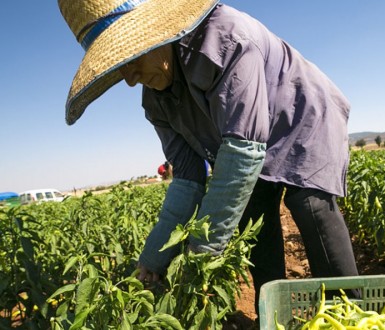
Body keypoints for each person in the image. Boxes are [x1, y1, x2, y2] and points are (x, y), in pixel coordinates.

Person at [58, 0, 359, 313]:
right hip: (247, 139)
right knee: (253, 214)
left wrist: (204, 247)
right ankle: (272, 313)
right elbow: (188, 179)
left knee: (310, 204)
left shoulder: (226, 39)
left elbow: (243, 150)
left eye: (130, 59)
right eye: (119, 68)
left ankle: (349, 311)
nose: (130, 78)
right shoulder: (156, 102)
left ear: (155, 34)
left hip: (300, 116)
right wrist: (155, 258)